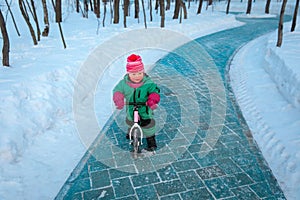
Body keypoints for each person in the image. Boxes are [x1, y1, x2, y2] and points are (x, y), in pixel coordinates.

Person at [113, 54, 160, 152]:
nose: (137, 76)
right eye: (133, 74)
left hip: (145, 109)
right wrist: (119, 100)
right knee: (131, 121)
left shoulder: (148, 83)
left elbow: (154, 91)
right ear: (128, 73)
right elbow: (117, 91)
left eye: (139, 73)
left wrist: (152, 99)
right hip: (131, 108)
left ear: (143, 72)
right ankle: (131, 132)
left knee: (148, 125)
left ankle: (151, 142)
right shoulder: (124, 83)